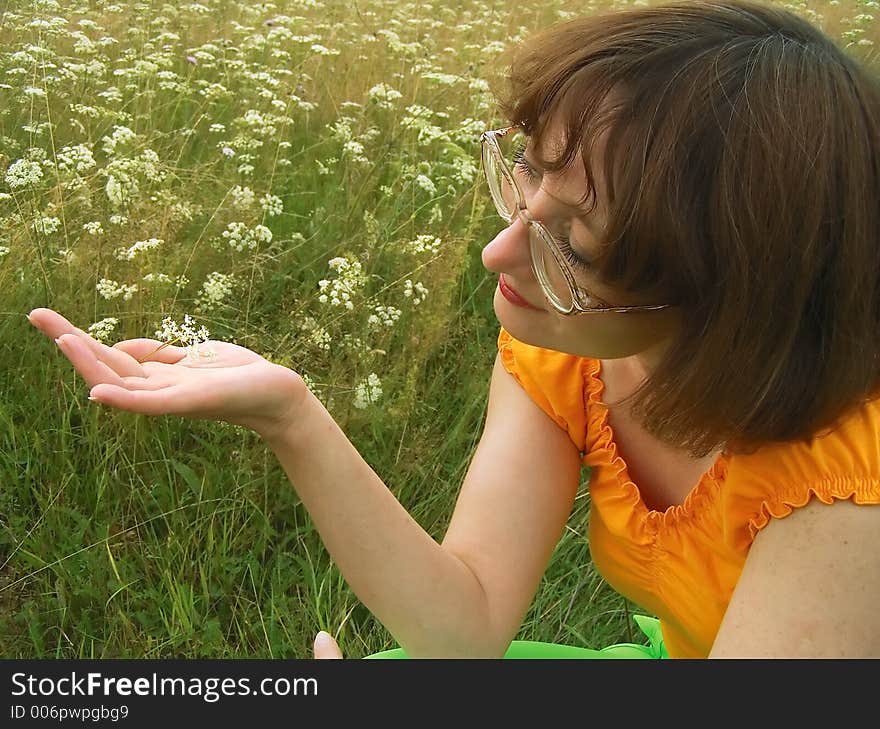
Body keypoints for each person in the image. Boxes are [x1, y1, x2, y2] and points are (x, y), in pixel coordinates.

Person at [28, 0, 880, 658]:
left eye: (573, 245)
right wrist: (292, 417)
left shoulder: (847, 489)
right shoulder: (563, 352)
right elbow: (464, 625)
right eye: (527, 175)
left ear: (732, 298)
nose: (496, 251)